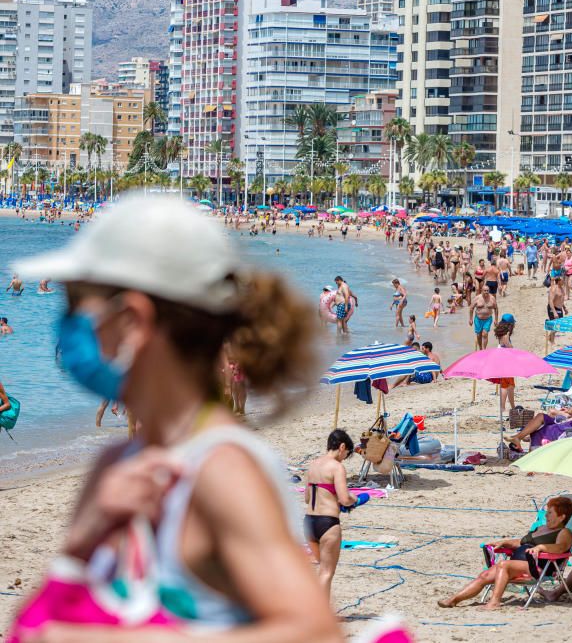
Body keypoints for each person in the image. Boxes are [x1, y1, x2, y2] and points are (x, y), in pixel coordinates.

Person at [11, 195, 342, 639]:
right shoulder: (120, 461)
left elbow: (312, 629)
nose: (65, 326)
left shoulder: (219, 468)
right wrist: (81, 542)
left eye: (75, 304)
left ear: (132, 320)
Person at [437, 496, 572, 610]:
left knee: (504, 565)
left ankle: (494, 602)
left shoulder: (564, 532)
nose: (546, 515)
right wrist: (505, 542)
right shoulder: (541, 528)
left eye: (550, 513)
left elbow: (561, 547)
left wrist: (541, 548)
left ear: (562, 517)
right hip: (518, 564)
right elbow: (521, 542)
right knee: (485, 575)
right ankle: (454, 600)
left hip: (538, 567)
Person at [303, 430, 363, 598]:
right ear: (342, 447)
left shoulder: (313, 464)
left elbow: (307, 498)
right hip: (327, 523)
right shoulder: (337, 467)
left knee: (321, 569)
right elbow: (344, 499)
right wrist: (355, 500)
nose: (344, 458)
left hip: (309, 522)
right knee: (326, 572)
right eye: (346, 454)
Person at [504, 378, 572, 450]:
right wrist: (568, 409)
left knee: (542, 421)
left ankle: (521, 437)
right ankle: (520, 437)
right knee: (541, 417)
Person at [493, 314, 516, 417]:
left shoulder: (502, 334)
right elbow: (509, 347)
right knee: (506, 386)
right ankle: (503, 407)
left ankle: (512, 407)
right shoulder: (506, 334)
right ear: (510, 324)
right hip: (505, 361)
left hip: (502, 360)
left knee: (509, 385)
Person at [546, 273, 566, 345]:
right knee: (556, 325)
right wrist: (554, 312)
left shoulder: (562, 288)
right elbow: (550, 301)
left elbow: (561, 299)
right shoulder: (554, 289)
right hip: (553, 308)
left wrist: (564, 308)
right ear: (558, 281)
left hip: (559, 308)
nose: (564, 281)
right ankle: (552, 341)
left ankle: (549, 337)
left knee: (559, 325)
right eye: (562, 280)